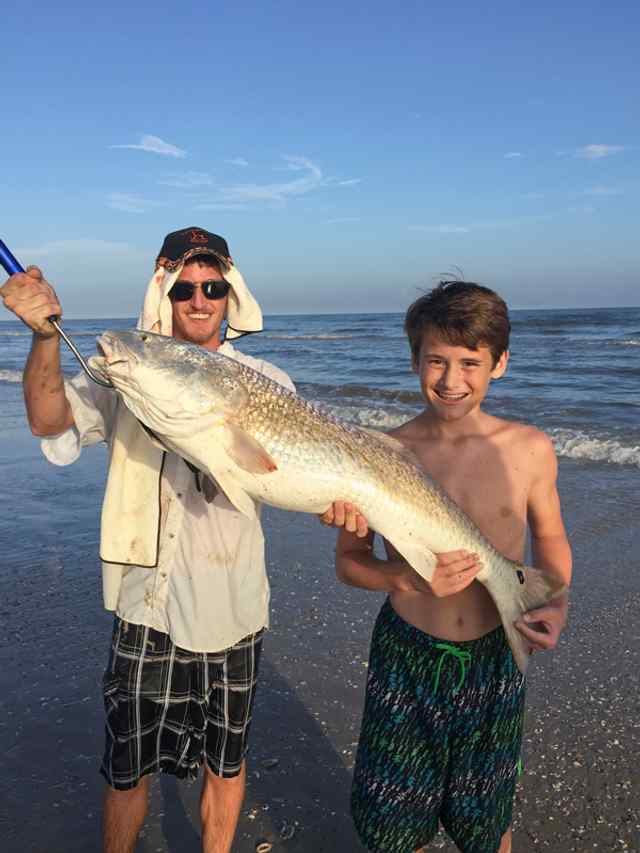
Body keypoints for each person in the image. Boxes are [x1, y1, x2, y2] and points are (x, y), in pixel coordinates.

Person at [1, 227, 298, 853]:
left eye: (213, 287)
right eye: (183, 286)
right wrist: (42, 337)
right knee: (128, 766)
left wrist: (345, 511)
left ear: (230, 294)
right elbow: (48, 419)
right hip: (146, 605)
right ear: (162, 292)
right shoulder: (128, 371)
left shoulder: (268, 381)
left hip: (233, 602)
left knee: (227, 762)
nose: (199, 299)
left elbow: (298, 477)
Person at [321, 281, 572, 853]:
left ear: (499, 364)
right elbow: (350, 565)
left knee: (487, 823)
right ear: (415, 361)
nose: (451, 379)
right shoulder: (378, 453)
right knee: (393, 825)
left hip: (495, 657)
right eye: (436, 360)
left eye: (470, 362)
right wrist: (404, 577)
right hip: (407, 655)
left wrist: (554, 605)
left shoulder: (529, 449)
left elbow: (551, 537)